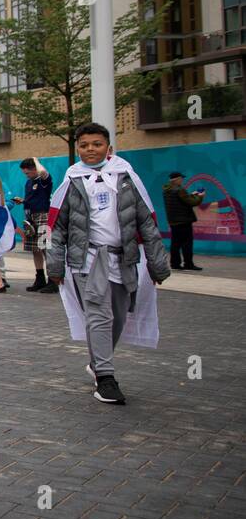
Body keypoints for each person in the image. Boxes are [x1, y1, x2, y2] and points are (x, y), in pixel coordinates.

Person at [47, 123, 170, 405]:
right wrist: (55, 266)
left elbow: (148, 224)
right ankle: (105, 377)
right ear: (77, 149)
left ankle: (98, 361)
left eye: (97, 144)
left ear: (108, 147)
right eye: (84, 145)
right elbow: (58, 228)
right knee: (98, 314)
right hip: (87, 260)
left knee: (117, 315)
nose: (91, 149)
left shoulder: (128, 179)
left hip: (124, 258)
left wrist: (157, 264)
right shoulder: (71, 182)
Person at [13, 157, 56, 292]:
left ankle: (53, 280)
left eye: (28, 173)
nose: (27, 175)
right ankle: (40, 278)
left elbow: (43, 172)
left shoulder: (44, 181)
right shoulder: (28, 183)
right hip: (30, 217)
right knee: (34, 249)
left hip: (43, 216)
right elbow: (33, 199)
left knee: (45, 248)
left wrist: (35, 160)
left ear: (35, 169)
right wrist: (23, 201)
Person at [163, 171, 205, 271]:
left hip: (173, 221)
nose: (182, 180)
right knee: (187, 244)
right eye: (181, 178)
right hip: (184, 221)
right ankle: (188, 264)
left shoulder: (167, 190)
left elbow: (180, 200)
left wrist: (191, 194)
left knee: (175, 244)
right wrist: (200, 196)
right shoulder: (179, 190)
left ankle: (175, 264)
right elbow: (191, 202)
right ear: (177, 179)